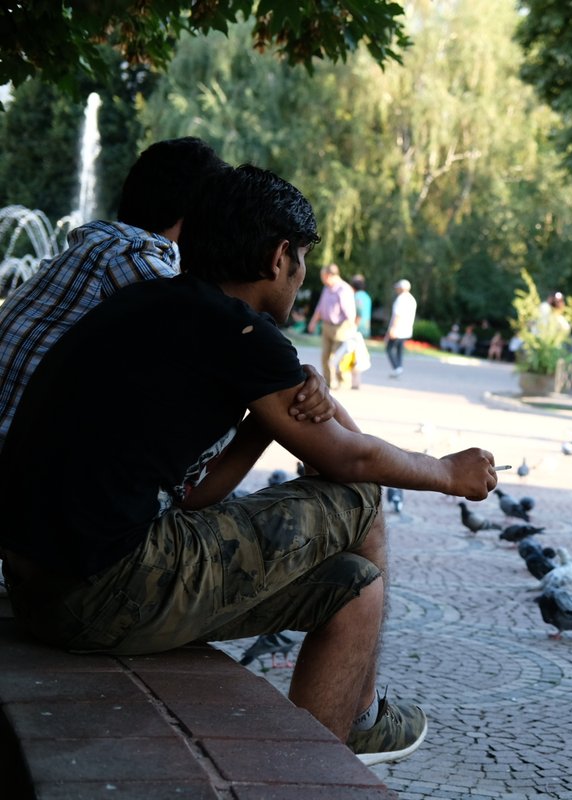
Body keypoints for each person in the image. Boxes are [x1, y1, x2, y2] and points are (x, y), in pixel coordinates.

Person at [0, 164, 498, 764]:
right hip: (104, 593)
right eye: (303, 260)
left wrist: (266, 423)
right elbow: (351, 456)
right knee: (360, 498)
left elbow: (192, 496)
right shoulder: (236, 330)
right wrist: (448, 473)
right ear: (278, 255)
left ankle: (321, 760)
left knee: (353, 587)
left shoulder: (155, 305)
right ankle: (359, 722)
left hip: (39, 592)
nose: (303, 277)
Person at [0, 138, 243, 454]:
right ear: (197, 216)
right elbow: (241, 354)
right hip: (19, 484)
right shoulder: (141, 269)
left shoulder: (94, 248)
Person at [307, 263, 357, 389]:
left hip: (341, 328)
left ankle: (344, 383)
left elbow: (350, 313)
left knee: (339, 357)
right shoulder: (327, 288)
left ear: (329, 275)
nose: (322, 279)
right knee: (325, 356)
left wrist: (351, 330)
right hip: (327, 325)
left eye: (323, 276)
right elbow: (320, 307)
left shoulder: (344, 289)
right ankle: (328, 382)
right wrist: (313, 321)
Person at [386, 279, 417, 378]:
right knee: (399, 350)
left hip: (398, 330)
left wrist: (392, 329)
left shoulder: (401, 299)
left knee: (389, 348)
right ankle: (399, 367)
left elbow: (397, 315)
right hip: (406, 330)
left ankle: (397, 368)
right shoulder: (412, 299)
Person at [351, 274, 372, 340]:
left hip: (357, 328)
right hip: (366, 328)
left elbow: (359, 313)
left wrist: (353, 328)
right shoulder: (367, 297)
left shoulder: (356, 296)